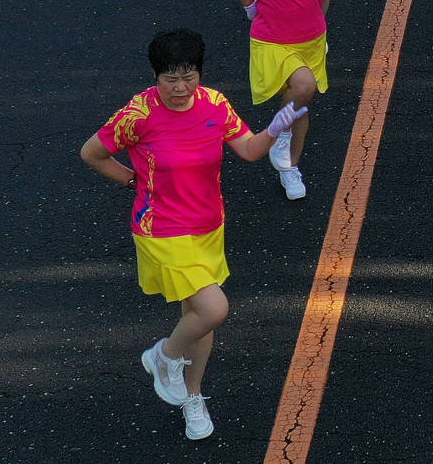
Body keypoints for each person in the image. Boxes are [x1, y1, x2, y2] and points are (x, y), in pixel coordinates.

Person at [81, 28, 307, 440]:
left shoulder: (215, 104)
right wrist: (133, 181)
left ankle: (191, 396)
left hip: (209, 226)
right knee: (213, 309)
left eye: (189, 75)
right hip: (162, 229)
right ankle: (164, 356)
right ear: (156, 77)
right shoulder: (138, 115)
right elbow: (92, 153)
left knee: (199, 318)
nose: (181, 87)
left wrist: (279, 124)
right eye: (170, 78)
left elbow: (251, 151)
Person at [214, 0, 425, 199]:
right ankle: (280, 135)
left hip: (310, 36)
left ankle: (289, 167)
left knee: (299, 103)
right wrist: (249, 4)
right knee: (303, 87)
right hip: (271, 38)